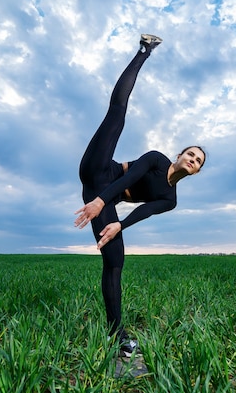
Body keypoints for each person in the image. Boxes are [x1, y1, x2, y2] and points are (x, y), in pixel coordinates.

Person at [75, 34, 206, 357]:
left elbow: (143, 212)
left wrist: (118, 225)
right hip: (100, 173)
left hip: (103, 197)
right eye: (190, 154)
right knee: (118, 113)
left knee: (115, 259)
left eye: (198, 161)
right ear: (178, 155)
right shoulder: (156, 158)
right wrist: (101, 202)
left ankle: (115, 333)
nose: (192, 159)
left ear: (196, 172)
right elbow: (129, 178)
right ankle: (144, 51)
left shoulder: (170, 199)